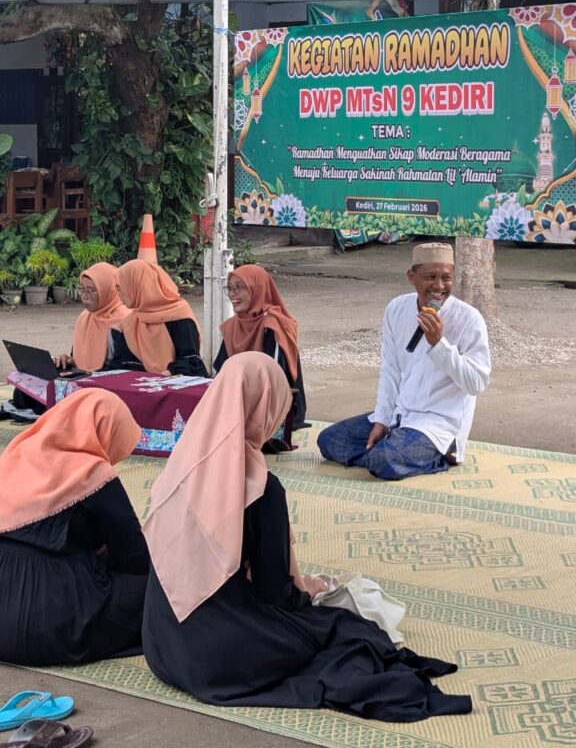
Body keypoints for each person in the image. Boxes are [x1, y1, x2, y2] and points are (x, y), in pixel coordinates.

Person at [142, 352, 471, 722]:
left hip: (163, 648)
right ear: (265, 408)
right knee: (348, 632)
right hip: (217, 660)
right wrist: (310, 589)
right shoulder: (259, 489)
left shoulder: (177, 472)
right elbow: (277, 595)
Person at [0, 388, 149, 665]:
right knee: (154, 590)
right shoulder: (91, 473)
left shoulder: (15, 456)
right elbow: (134, 557)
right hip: (53, 622)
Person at [318, 243, 491, 480]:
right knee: (329, 441)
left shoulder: (469, 318)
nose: (439, 286)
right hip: (399, 416)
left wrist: (438, 344)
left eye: (446, 278)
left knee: (383, 460)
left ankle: (438, 453)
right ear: (412, 277)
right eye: (430, 277)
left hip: (437, 424)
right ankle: (393, 451)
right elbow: (390, 370)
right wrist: (382, 420)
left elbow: (476, 384)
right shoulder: (397, 308)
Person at [3, 262, 129, 423]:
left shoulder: (123, 321)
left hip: (102, 382)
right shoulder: (85, 317)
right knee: (28, 382)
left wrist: (82, 376)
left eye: (91, 291)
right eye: (82, 289)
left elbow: (122, 369)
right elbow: (77, 356)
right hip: (80, 375)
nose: (84, 296)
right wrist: (67, 360)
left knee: (53, 390)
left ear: (108, 290)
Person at [213, 264, 307, 450]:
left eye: (239, 287)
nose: (232, 294)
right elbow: (221, 371)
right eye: (230, 288)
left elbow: (274, 379)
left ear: (257, 289)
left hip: (276, 407)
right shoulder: (233, 326)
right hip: (242, 398)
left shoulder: (273, 324)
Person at [110, 259, 208, 377]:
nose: (118, 293)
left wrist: (167, 374)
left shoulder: (178, 314)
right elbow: (124, 362)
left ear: (136, 285)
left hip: (181, 381)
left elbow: (190, 360)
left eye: (120, 287)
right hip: (145, 383)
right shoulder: (131, 321)